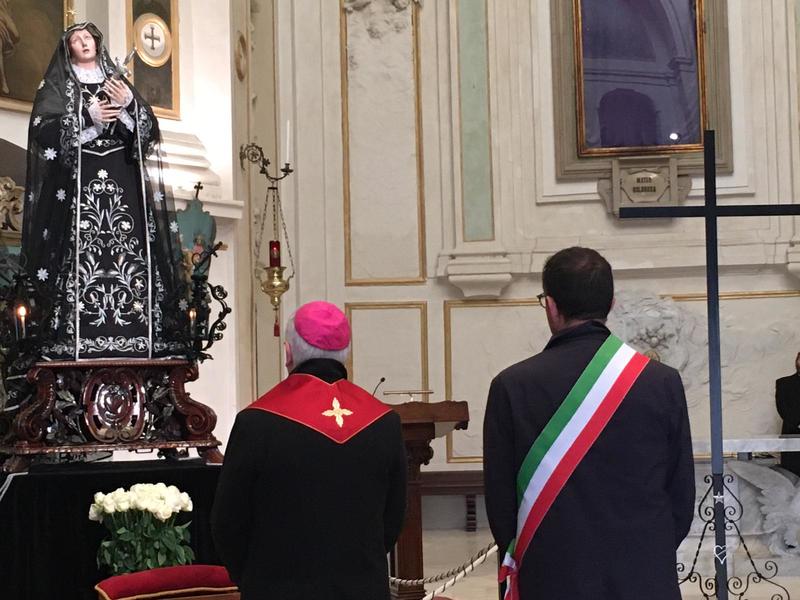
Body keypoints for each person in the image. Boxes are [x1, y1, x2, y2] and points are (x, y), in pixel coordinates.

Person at [483, 247, 695, 600]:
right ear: (610, 304)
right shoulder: (662, 382)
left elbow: (501, 507)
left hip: (551, 578)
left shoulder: (511, 386)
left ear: (551, 306)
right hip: (643, 578)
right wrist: (644, 554)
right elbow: (681, 495)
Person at [211, 301, 407, 599]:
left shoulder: (256, 422)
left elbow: (227, 523)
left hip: (277, 590)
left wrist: (253, 579)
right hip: (363, 589)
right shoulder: (384, 421)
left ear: (288, 352)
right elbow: (393, 519)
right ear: (347, 354)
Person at [22, 22, 185, 360]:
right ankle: (77, 331)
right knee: (78, 252)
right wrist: (87, 116)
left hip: (123, 183)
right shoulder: (59, 86)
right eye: (76, 39)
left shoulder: (116, 82)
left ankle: (134, 328)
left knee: (128, 249)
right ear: (68, 49)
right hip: (77, 185)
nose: (84, 42)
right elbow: (42, 130)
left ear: (97, 43)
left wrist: (128, 106)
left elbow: (148, 132)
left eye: (88, 37)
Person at [775, 352, 800, 476]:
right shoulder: (783, 383)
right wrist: (798, 424)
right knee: (791, 476)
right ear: (796, 361)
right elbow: (782, 408)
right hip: (791, 433)